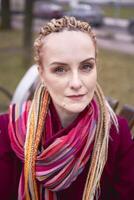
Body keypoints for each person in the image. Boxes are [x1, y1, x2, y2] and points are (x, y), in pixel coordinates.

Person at [0, 16, 134, 200]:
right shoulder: (9, 129)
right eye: (60, 69)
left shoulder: (116, 133)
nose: (76, 83)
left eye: (86, 66)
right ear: (42, 74)